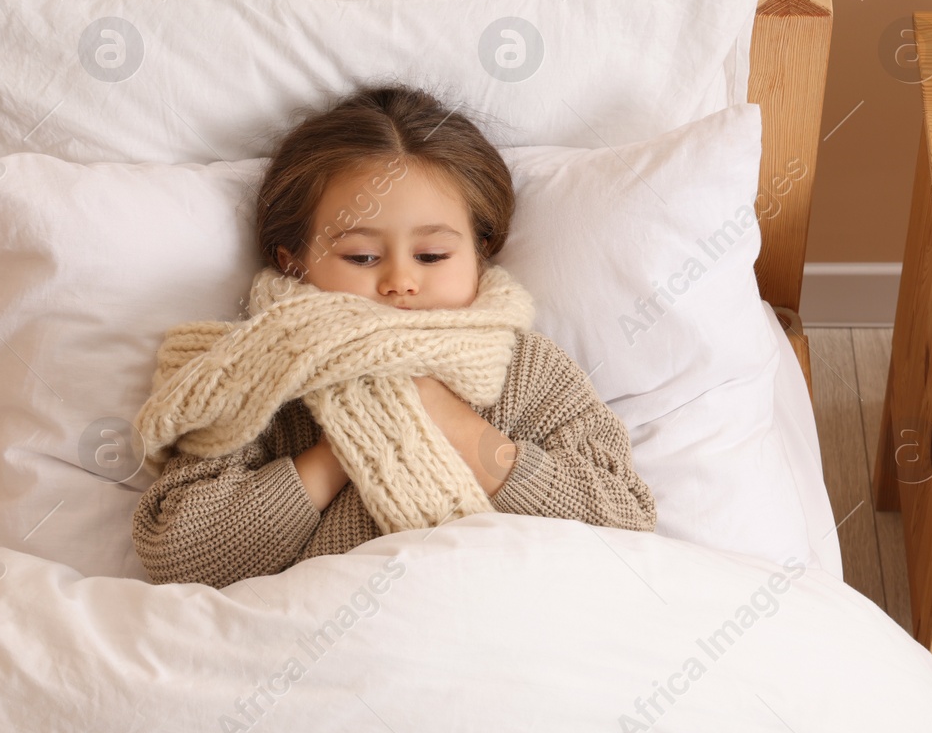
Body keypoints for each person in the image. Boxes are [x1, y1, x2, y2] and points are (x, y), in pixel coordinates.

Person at [130, 83, 655, 587]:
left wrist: (448, 421)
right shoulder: (254, 374)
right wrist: (354, 434)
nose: (400, 281)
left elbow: (624, 522)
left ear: (481, 250)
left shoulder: (529, 369)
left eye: (431, 256)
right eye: (361, 257)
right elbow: (178, 554)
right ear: (293, 263)